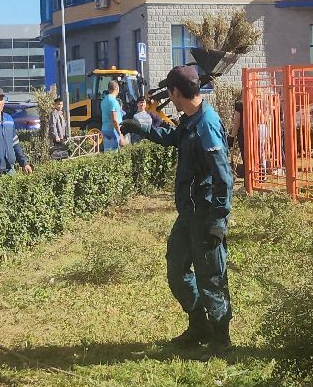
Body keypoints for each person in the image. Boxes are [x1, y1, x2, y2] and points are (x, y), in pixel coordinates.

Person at [121, 65, 235, 352]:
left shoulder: (206, 124)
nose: (169, 98)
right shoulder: (190, 119)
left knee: (211, 277)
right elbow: (173, 138)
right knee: (176, 269)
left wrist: (219, 220)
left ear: (175, 92)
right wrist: (142, 128)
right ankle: (199, 326)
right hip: (189, 213)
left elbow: (224, 177)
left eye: (169, 93)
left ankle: (221, 340)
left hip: (206, 214)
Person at [99, 79, 125, 152]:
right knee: (115, 153)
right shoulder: (114, 102)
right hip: (113, 131)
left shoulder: (103, 101)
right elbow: (114, 120)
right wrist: (120, 134)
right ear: (116, 88)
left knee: (108, 152)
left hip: (105, 129)